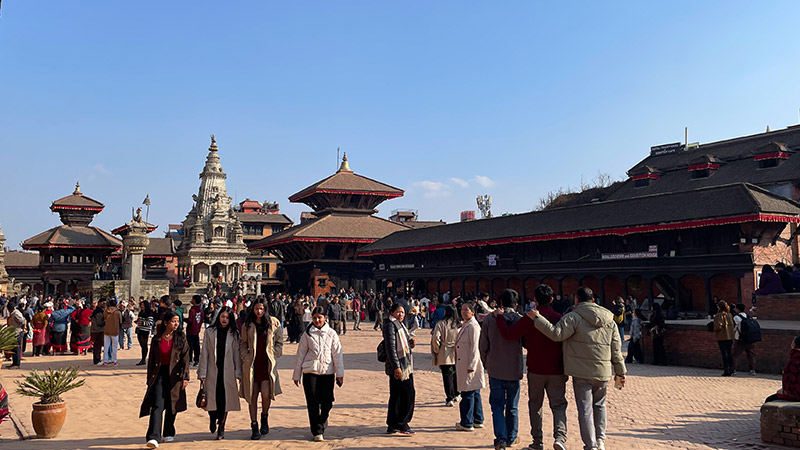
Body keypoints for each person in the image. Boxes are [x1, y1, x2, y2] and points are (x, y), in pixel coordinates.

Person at [528, 286, 626, 450]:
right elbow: (616, 349)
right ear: (593, 300)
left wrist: (538, 318)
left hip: (581, 372)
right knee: (600, 406)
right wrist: (620, 371)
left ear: (577, 300)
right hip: (602, 371)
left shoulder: (573, 317)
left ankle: (591, 444)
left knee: (585, 409)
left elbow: (556, 334)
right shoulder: (610, 319)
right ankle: (600, 440)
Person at [495, 284, 567, 450]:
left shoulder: (530, 318)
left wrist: (499, 317)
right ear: (551, 299)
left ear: (535, 300)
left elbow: (508, 334)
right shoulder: (559, 318)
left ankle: (537, 441)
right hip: (556, 369)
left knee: (536, 405)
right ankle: (560, 439)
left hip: (535, 368)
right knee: (558, 406)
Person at [292, 306, 344, 442]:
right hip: (310, 372)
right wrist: (296, 375)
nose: (317, 320)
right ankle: (317, 431)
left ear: (325, 318)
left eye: (319, 317)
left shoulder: (332, 334)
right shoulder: (307, 334)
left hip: (327, 372)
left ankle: (323, 419)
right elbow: (300, 355)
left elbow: (337, 355)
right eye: (314, 318)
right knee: (313, 402)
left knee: (327, 402)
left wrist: (340, 373)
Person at [139, 312, 190, 449]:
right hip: (159, 374)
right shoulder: (157, 339)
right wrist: (149, 379)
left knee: (172, 404)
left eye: (177, 321)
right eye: (173, 321)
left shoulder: (181, 338)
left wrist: (185, 377)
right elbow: (152, 361)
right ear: (166, 322)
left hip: (175, 374)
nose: (176, 324)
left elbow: (185, 358)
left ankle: (168, 431)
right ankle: (153, 437)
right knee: (157, 405)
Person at [480, 289, 523, 450]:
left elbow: (483, 345)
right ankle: (512, 437)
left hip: (495, 368)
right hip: (513, 369)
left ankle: (500, 439)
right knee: (512, 406)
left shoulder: (491, 319)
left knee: (497, 406)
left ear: (501, 303)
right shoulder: (519, 319)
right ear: (516, 303)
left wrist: (486, 363)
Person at [239, 299, 284, 440]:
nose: (259, 311)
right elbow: (243, 343)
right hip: (252, 365)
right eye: (256, 308)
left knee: (266, 394)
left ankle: (264, 415)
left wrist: (274, 354)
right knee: (252, 398)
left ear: (265, 309)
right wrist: (245, 356)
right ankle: (254, 424)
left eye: (261, 308)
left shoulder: (273, 323)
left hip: (267, 365)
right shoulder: (247, 325)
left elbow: (279, 342)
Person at [198, 306, 242, 440]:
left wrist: (238, 372)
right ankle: (212, 418)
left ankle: (222, 426)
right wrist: (202, 372)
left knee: (225, 400)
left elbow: (236, 354)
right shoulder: (210, 332)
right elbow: (204, 352)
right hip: (213, 369)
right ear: (218, 317)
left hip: (227, 371)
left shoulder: (234, 334)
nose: (224, 319)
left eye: (227, 317)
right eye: (222, 317)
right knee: (212, 398)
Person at [383, 302, 416, 435]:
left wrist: (410, 343)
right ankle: (402, 423)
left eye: (402, 312)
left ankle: (392, 424)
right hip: (399, 366)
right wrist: (397, 367)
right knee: (408, 394)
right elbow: (391, 348)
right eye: (398, 312)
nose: (400, 315)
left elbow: (402, 344)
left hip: (404, 364)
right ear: (392, 313)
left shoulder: (400, 324)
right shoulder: (390, 325)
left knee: (396, 395)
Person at [454, 301, 486, 432]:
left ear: (473, 312)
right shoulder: (466, 324)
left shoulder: (473, 326)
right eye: (462, 310)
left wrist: (472, 365)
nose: (463, 312)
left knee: (468, 392)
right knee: (475, 391)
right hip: (465, 362)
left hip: (469, 363)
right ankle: (478, 419)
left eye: (466, 310)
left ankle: (467, 422)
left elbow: (475, 347)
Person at [431, 304, 460, 406]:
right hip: (457, 353)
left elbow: (436, 338)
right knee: (456, 374)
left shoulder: (441, 324)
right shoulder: (459, 324)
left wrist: (436, 350)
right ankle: (457, 393)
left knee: (447, 376)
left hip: (445, 353)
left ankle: (449, 397)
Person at [765, 336, 800, 403]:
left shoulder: (796, 357)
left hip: (796, 394)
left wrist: (784, 391)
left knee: (769, 400)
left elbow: (792, 378)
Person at [732, 303, 758, 376]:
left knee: (735, 354)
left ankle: (733, 369)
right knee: (750, 354)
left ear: (737, 309)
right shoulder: (748, 317)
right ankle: (752, 370)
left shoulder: (736, 317)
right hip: (750, 338)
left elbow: (736, 327)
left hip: (740, 339)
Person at [714, 301, 736, 376]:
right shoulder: (729, 314)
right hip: (730, 336)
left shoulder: (719, 315)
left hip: (722, 336)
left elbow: (718, 326)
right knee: (729, 352)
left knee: (724, 353)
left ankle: (726, 370)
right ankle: (732, 368)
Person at [5, 299, 25, 369]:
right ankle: (14, 363)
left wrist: (21, 329)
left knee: (17, 348)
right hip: (13, 333)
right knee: (13, 348)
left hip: (18, 332)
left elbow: (23, 322)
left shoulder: (16, 313)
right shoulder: (12, 313)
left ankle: (17, 364)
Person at [103, 299, 122, 366]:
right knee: (114, 347)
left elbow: (104, 318)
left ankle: (105, 361)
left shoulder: (105, 311)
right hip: (115, 330)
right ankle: (114, 360)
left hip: (107, 330)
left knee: (106, 346)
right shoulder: (117, 312)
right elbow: (120, 321)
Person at [186, 295, 204, 367]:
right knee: (196, 346)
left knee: (190, 346)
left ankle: (190, 360)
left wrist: (184, 319)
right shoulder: (201, 311)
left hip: (191, 330)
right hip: (197, 330)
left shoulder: (192, 310)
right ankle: (196, 360)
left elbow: (190, 320)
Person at [136, 300, 155, 366]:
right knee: (142, 345)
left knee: (144, 345)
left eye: (143, 305)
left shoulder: (149, 313)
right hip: (140, 329)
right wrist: (138, 321)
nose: (141, 306)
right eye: (141, 305)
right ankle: (143, 358)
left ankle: (143, 359)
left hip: (145, 331)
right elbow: (139, 319)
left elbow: (150, 323)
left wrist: (142, 323)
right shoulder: (141, 312)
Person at [91, 299, 106, 365]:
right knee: (97, 345)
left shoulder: (97, 311)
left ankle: (97, 359)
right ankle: (97, 360)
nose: (104, 304)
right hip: (98, 330)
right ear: (99, 303)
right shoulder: (98, 312)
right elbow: (100, 322)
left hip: (96, 329)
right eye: (103, 303)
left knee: (98, 345)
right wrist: (106, 322)